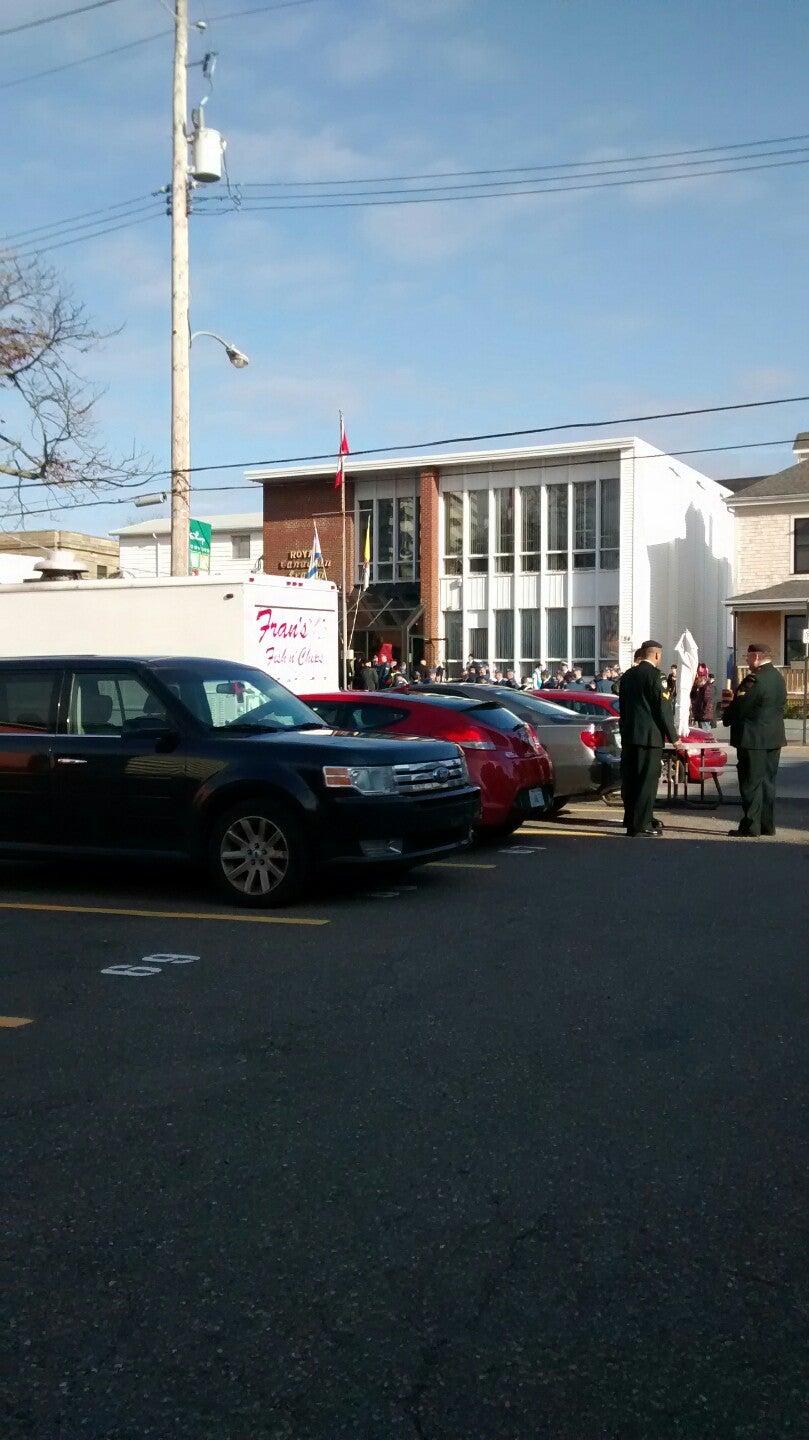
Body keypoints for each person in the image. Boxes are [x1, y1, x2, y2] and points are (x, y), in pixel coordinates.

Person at [722, 642, 787, 837]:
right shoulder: (778, 677)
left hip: (752, 739)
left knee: (751, 784)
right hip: (773, 738)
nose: (747, 660)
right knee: (768, 783)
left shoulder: (754, 679)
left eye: (748, 656)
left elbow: (741, 707)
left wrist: (727, 714)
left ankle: (751, 826)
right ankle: (767, 825)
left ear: (757, 657)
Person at [618, 639, 680, 837]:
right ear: (656, 655)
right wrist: (674, 738)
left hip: (629, 736)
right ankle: (641, 824)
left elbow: (622, 705)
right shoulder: (656, 676)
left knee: (631, 781)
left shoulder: (628, 675)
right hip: (649, 738)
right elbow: (663, 710)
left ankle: (632, 820)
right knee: (647, 782)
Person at [690, 663, 715, 728]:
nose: (696, 680)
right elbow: (693, 697)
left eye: (698, 678)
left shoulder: (706, 688)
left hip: (704, 716)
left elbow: (707, 702)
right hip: (700, 716)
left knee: (705, 731)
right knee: (702, 731)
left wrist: (701, 714)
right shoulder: (700, 687)